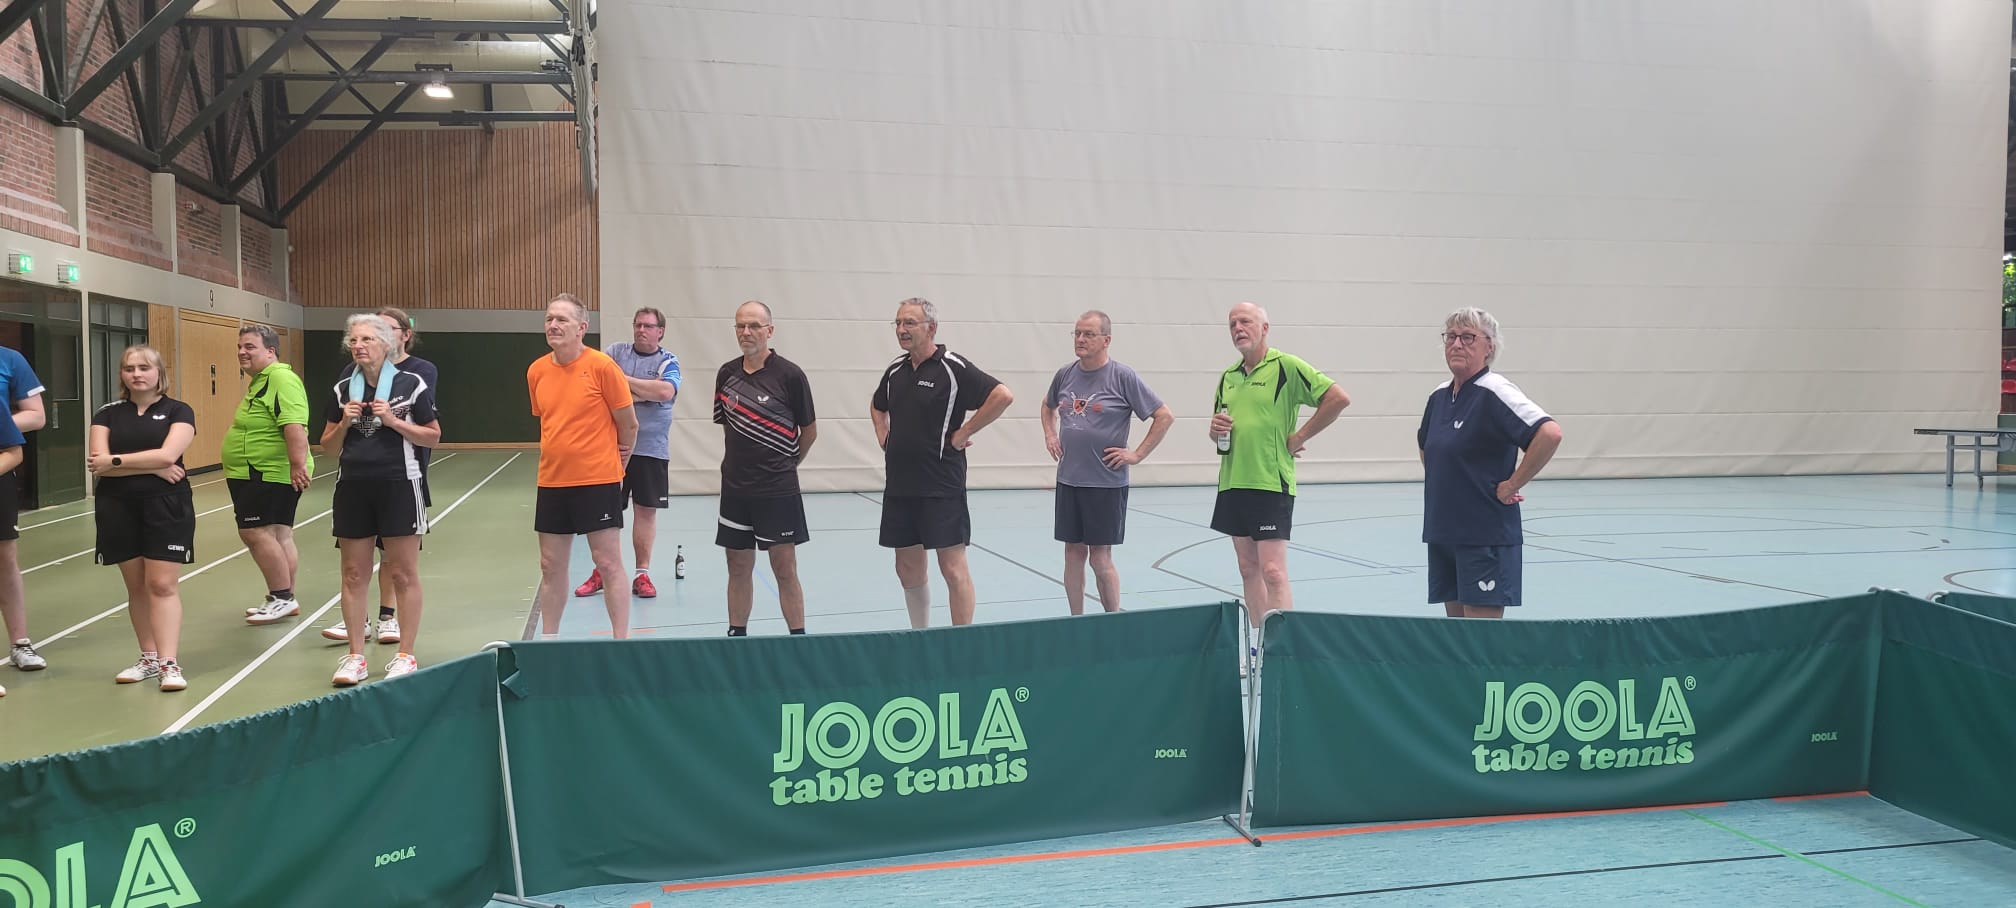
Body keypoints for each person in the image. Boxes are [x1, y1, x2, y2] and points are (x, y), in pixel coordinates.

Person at [871, 298, 1013, 628]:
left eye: (909, 323)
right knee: (907, 567)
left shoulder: (952, 367)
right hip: (900, 485)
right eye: (898, 323)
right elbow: (877, 405)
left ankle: (960, 642)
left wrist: (965, 432)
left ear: (931, 328)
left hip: (940, 485)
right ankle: (921, 635)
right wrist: (883, 435)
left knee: (952, 568)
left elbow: (1002, 395)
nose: (901, 329)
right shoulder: (895, 371)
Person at [1209, 302, 1350, 631]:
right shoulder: (1228, 377)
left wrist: (1299, 436)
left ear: (1264, 328)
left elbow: (1338, 398)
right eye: (1232, 324)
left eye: (1245, 321)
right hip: (1232, 482)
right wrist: (1215, 431)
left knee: (1272, 571)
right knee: (1248, 569)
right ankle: (1259, 645)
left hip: (1270, 483)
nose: (1238, 328)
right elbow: (1220, 435)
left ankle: (1282, 647)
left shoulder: (1286, 366)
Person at [1419, 307, 1563, 619]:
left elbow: (1549, 433)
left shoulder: (1496, 391)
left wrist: (1513, 484)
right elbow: (1426, 447)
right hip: (1444, 531)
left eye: (1468, 337)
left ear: (1489, 347)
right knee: (1455, 634)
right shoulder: (1439, 396)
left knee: (1480, 637)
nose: (1457, 344)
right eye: (1451, 337)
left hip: (1484, 535)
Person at [320, 314, 439, 685]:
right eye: (354, 340)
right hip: (353, 487)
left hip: (400, 484)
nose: (358, 346)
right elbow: (328, 448)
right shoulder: (343, 388)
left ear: (386, 344)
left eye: (367, 339)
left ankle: (406, 654)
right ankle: (355, 656)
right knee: (354, 574)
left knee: (403, 573)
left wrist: (395, 422)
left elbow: (432, 436)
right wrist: (344, 422)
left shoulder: (411, 384)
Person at [1040, 310, 1173, 614]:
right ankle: (1075, 620)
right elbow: (1047, 406)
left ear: (1106, 340)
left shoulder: (1122, 377)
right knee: (1073, 553)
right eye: (1077, 333)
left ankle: (1112, 620)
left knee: (1100, 558)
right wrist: (1049, 434)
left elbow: (1164, 416)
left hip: (1105, 484)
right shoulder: (1064, 374)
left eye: (1088, 334)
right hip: (1069, 480)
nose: (1080, 339)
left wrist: (1137, 454)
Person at [529, 294, 638, 639]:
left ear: (582, 328)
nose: (553, 325)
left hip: (597, 482)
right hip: (552, 482)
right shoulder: (536, 371)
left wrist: (617, 463)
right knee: (550, 566)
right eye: (549, 319)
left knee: (607, 563)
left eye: (562, 319)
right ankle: (549, 642)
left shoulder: (603, 367)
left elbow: (629, 424)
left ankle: (620, 641)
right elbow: (549, 421)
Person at [89, 345, 197, 692]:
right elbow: (98, 465)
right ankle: (148, 658)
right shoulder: (107, 414)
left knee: (161, 585)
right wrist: (152, 467)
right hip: (117, 506)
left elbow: (169, 455)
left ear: (158, 373)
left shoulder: (179, 411)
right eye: (129, 368)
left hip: (166, 506)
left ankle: (169, 663)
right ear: (122, 375)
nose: (136, 374)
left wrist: (118, 462)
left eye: (144, 368)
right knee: (136, 587)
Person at [713, 300, 815, 635]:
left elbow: (809, 431)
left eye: (754, 326)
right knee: (737, 565)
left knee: (784, 567)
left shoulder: (790, 375)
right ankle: (736, 637)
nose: (746, 332)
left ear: (770, 330)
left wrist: (787, 464)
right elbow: (727, 426)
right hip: (735, 490)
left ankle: (797, 640)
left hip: (777, 490)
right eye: (740, 325)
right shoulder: (726, 374)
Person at [574, 306, 679, 600]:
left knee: (645, 511)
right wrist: (642, 392)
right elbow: (596, 388)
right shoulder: (614, 352)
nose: (641, 330)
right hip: (612, 448)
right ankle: (602, 571)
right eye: (637, 325)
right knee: (605, 512)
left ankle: (641, 575)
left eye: (648, 326)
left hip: (650, 450)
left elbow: (665, 392)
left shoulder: (668, 361)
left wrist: (621, 382)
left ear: (660, 331)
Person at [229, 325, 315, 627]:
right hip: (257, 471)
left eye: (250, 347)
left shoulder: (280, 378)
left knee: (254, 531)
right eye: (240, 347)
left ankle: (282, 596)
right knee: (279, 533)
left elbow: (293, 424)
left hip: (265, 471)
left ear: (270, 351)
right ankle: (284, 598)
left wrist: (297, 464)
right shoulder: (262, 380)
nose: (242, 352)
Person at [0, 344, 45, 694]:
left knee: (5, 559)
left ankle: (20, 643)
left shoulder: (10, 359)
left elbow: (36, 416)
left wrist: (2, 426)